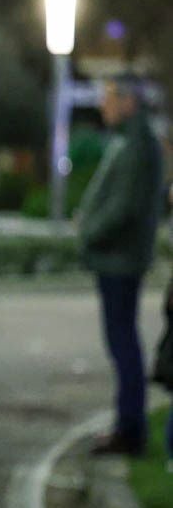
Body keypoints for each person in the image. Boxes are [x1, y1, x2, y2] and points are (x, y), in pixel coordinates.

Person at [77, 78, 163, 456]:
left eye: (109, 99)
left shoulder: (136, 143)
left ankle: (130, 430)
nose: (103, 107)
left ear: (128, 101)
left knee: (123, 343)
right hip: (119, 256)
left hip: (120, 259)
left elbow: (124, 206)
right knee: (122, 341)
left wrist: (89, 232)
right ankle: (128, 426)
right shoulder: (132, 139)